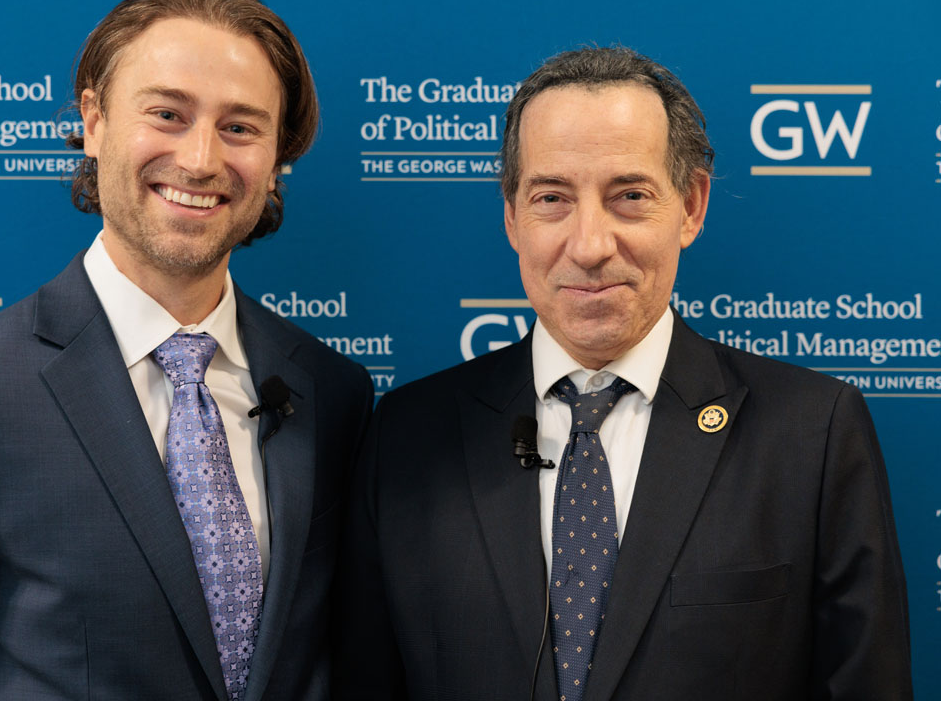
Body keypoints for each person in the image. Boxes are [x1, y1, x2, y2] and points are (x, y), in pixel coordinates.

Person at [333, 47, 912, 701]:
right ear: (511, 217)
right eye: (551, 198)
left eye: (629, 196)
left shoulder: (811, 433)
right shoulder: (408, 436)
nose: (589, 245)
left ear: (690, 206)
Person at [0, 0, 372, 699]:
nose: (200, 159)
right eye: (166, 114)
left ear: (278, 154)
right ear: (94, 119)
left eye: (240, 128)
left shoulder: (332, 392)